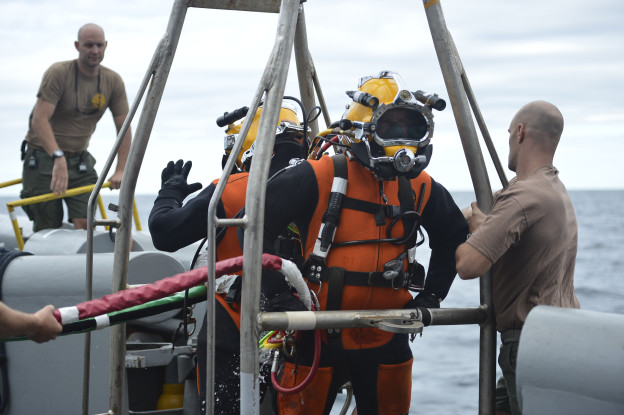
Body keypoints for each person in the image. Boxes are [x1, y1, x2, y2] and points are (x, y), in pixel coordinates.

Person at [254, 71, 468, 415]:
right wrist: (277, 294)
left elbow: (454, 236)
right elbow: (254, 228)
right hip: (316, 333)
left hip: (387, 336)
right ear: (363, 130)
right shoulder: (318, 176)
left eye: (411, 128)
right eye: (390, 127)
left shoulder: (419, 187)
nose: (402, 139)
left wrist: (432, 295)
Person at [148, 102, 309, 414]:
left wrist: (169, 192)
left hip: (235, 327)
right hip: (305, 326)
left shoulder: (234, 189)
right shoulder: (322, 185)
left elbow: (165, 233)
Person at [455, 100, 580, 415]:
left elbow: (468, 265)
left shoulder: (524, 197)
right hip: (560, 337)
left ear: (520, 132)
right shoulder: (552, 189)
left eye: (510, 132)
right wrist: (487, 226)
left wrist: (473, 234)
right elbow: (499, 216)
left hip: (530, 343)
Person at [21, 23, 132, 232]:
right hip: (44, 159)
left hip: (80, 161)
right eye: (89, 45)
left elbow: (124, 127)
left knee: (84, 225)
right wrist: (58, 157)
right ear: (77, 46)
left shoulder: (113, 80)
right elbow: (39, 119)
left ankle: (87, 263)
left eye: (99, 45)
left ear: (106, 45)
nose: (95, 51)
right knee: (47, 225)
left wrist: (121, 169)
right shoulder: (59, 73)